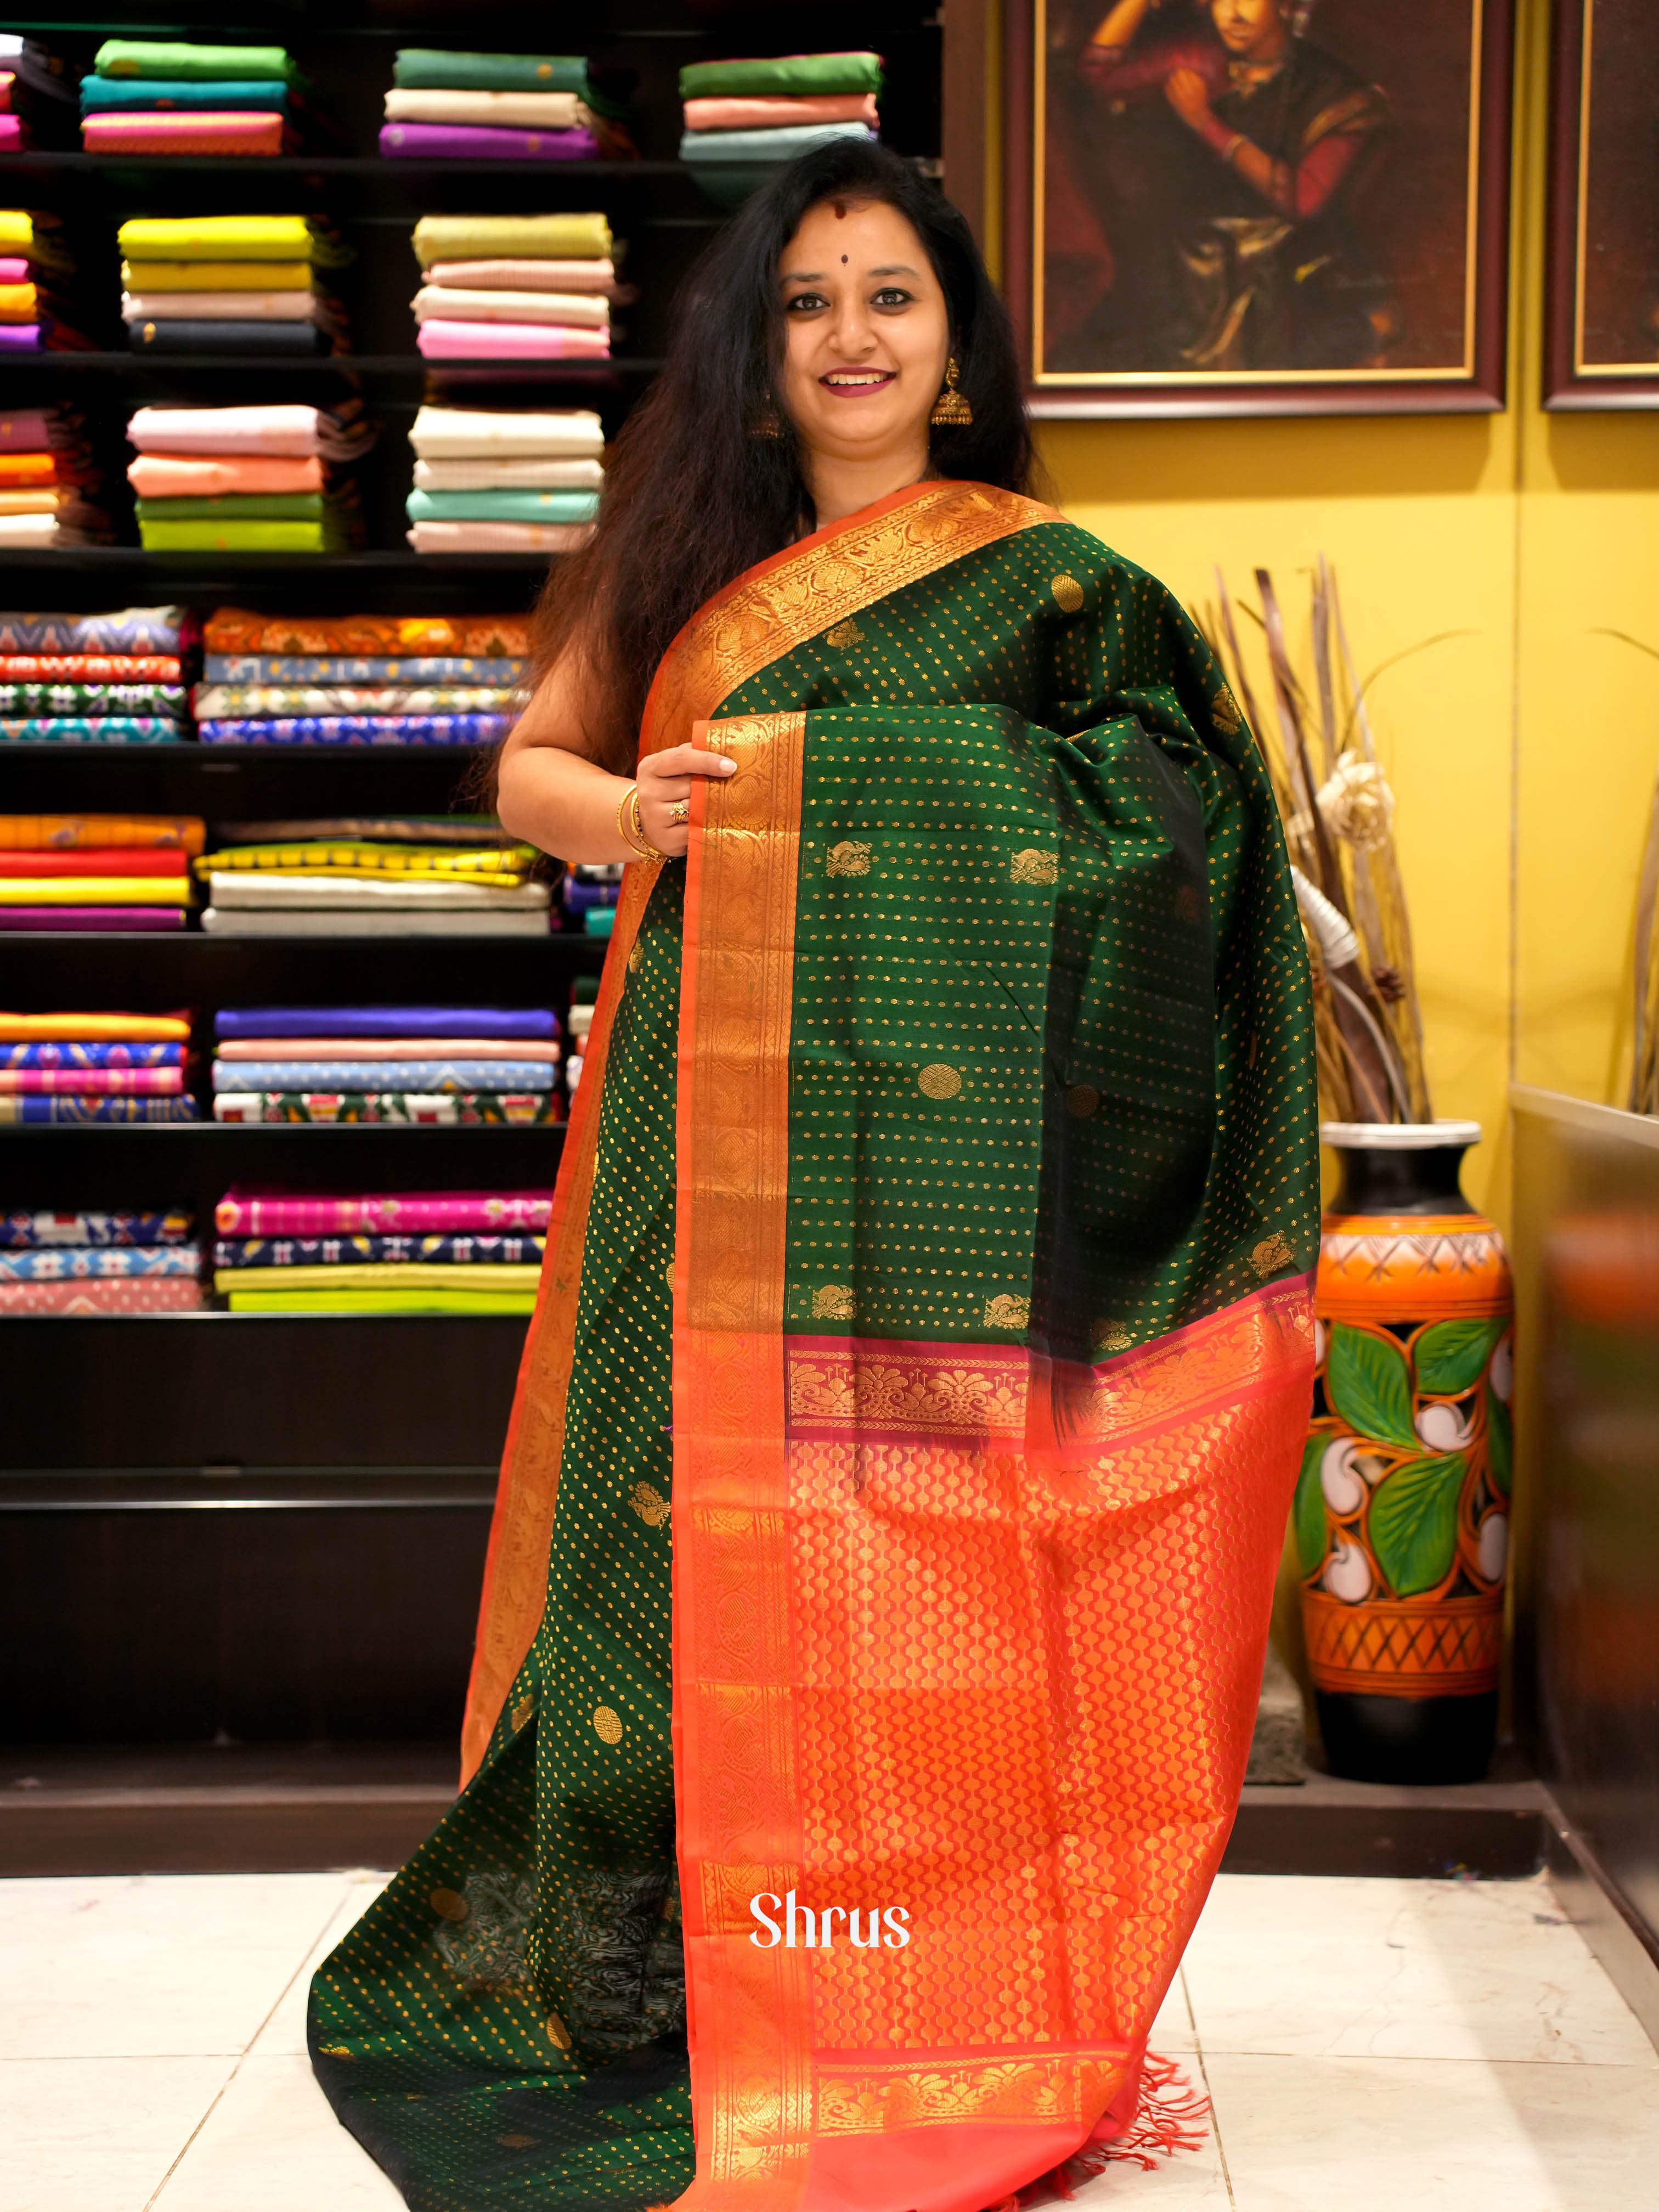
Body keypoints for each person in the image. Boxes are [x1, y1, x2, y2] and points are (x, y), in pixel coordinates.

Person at [309, 137, 1320, 2212]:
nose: (849, 335)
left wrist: (865, 796)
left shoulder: (1057, 587)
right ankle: (659, 1976)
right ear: (755, 346)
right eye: (807, 301)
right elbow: (535, 772)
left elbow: (1170, 824)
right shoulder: (670, 548)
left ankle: (919, 1986)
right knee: (678, 1563)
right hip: (714, 1158)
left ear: (953, 344)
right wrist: (648, 808)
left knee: (927, 1567)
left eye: (890, 296)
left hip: (962, 1204)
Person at [1057, 0, 1391, 373]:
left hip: (1286, 272)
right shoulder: (1199, 58)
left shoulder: (1333, 90)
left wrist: (1205, 123)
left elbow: (1303, 198)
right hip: (1191, 267)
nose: (1232, 14)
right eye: (1220, 0)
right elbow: (1096, 72)